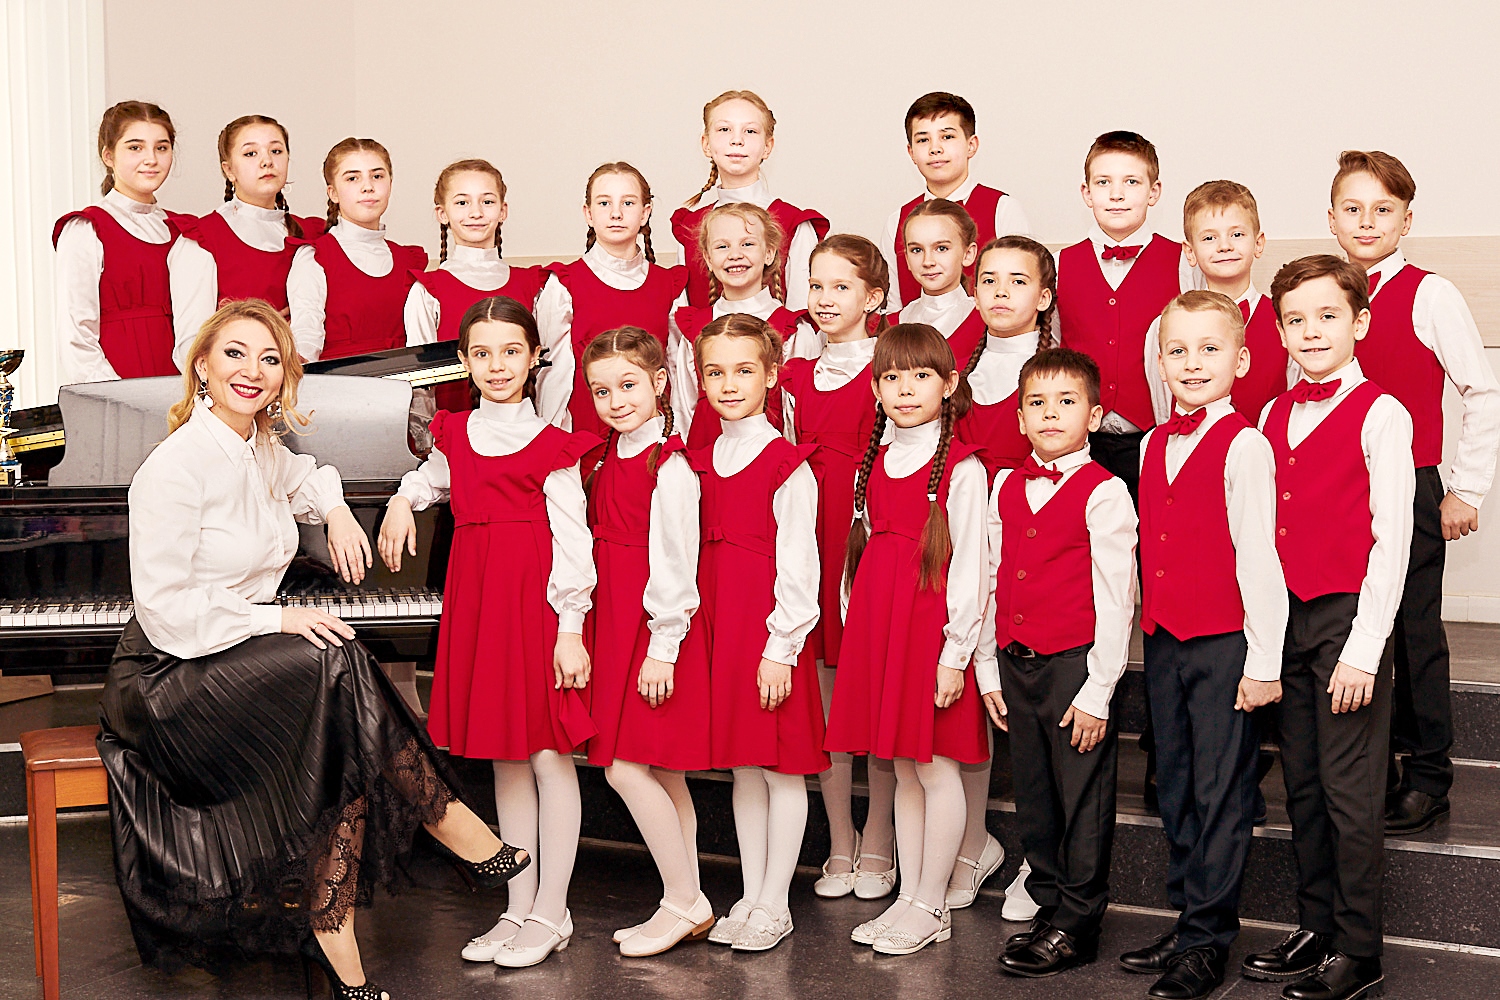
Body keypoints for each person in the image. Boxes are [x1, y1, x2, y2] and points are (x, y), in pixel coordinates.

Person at [97, 299, 527, 1000]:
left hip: (225, 656)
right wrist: (277, 619)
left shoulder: (259, 447)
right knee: (333, 658)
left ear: (282, 377)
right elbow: (168, 610)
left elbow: (304, 475)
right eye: (235, 354)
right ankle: (447, 824)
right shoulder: (173, 468)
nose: (252, 370)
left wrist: (334, 510)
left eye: (269, 359)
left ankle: (338, 938)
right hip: (166, 676)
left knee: (338, 705)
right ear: (202, 368)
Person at [378, 296, 600, 970]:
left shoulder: (553, 445)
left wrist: (570, 629)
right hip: (479, 605)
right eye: (482, 353)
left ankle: (553, 909)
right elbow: (429, 481)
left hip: (536, 608)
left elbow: (575, 542)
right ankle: (517, 905)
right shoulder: (455, 434)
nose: (497, 365)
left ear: (533, 359)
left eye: (511, 351)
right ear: (464, 362)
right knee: (506, 756)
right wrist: (400, 500)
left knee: (547, 756)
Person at [1240, 256, 1413, 1000]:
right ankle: (1315, 925)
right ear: (1279, 332)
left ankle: (1359, 947)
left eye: (1327, 316)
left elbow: (1392, 540)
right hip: (1288, 619)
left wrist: (1365, 649)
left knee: (1349, 791)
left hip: (1348, 619)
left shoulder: (1383, 412)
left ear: (1360, 323)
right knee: (1304, 785)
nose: (1311, 331)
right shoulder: (1270, 416)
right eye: (1295, 320)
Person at [1116, 291, 1287, 1000]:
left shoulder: (1245, 445)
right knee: (1178, 784)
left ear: (1240, 361)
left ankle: (1209, 939)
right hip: (1166, 642)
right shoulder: (1152, 443)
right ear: (1159, 363)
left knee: (1221, 792)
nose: (1192, 363)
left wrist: (1264, 661)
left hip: (1224, 644)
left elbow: (1259, 557)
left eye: (1210, 349)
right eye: (1178, 350)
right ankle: (1189, 918)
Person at [1328, 150, 1500, 837]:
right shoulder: (1324, 295)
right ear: (1332, 218)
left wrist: (1466, 489)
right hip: (1340, 492)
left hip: (1413, 488)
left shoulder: (1431, 294)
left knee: (1414, 634)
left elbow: (1481, 392)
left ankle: (1428, 776)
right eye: (1353, 208)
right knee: (1354, 628)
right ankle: (1372, 767)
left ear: (1406, 220)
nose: (1367, 221)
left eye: (1383, 209)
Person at [825, 323, 989, 956]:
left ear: (948, 384)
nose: (906, 389)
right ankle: (912, 896)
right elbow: (861, 554)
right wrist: (857, 627)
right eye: (891, 377)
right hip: (882, 627)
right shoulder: (874, 464)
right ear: (875, 389)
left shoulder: (963, 469)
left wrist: (955, 653)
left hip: (930, 633)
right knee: (900, 766)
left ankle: (931, 901)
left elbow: (970, 569)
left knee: (934, 765)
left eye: (921, 376)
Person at [975, 348, 1138, 979]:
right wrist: (987, 665)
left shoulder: (1106, 493)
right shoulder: (1006, 485)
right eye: (1037, 404)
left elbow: (1116, 598)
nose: (1050, 414)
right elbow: (993, 577)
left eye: (1066, 402)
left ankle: (1079, 920)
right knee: (1036, 795)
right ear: (1019, 418)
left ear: (1093, 416)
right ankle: (1049, 903)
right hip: (1017, 664)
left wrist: (1098, 690)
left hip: (1075, 666)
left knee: (1082, 798)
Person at [677, 313, 827, 952]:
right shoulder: (697, 461)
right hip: (720, 627)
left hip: (766, 632)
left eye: (744, 370)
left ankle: (776, 901)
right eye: (715, 372)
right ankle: (751, 890)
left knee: (780, 767)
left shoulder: (788, 465)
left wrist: (781, 647)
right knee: (744, 767)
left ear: (771, 376)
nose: (729, 383)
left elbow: (799, 566)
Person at [580, 327, 714, 957]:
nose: (616, 401)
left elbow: (676, 564)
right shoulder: (605, 456)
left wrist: (663, 647)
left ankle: (682, 899)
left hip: (651, 627)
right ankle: (687, 895)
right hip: (611, 622)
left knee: (623, 767)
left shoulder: (672, 465)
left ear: (660, 381)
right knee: (660, 769)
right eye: (601, 391)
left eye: (629, 385)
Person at [779, 235, 899, 903]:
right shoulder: (795, 374)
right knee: (826, 698)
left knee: (870, 691)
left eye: (841, 287)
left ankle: (879, 833)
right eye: (816, 285)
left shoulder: (888, 367)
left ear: (873, 297)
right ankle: (839, 836)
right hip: (809, 535)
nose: (825, 299)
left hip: (865, 533)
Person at [949, 234, 1066, 917]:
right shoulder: (956, 367)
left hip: (1029, 551)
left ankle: (1037, 857)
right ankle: (971, 844)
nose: (1000, 291)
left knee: (1027, 711)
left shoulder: (1052, 374)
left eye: (1018, 281)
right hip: (962, 549)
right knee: (967, 701)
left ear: (1044, 297)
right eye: (988, 278)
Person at [1054, 130, 1195, 502]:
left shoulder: (1182, 262)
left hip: (1155, 437)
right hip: (1081, 442)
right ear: (1087, 193)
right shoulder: (1061, 264)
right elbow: (1053, 344)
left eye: (1131, 182)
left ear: (1154, 191)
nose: (1116, 194)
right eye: (1104, 182)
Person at [535, 162, 689, 439]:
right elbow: (553, 377)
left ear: (645, 213)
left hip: (653, 435)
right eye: (604, 203)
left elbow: (679, 375)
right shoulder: (565, 285)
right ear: (588, 214)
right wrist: (553, 445)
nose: (616, 213)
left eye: (627, 203)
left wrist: (679, 437)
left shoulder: (670, 286)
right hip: (587, 433)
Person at [53, 100, 204, 383]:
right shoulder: (86, 228)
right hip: (120, 383)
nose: (151, 159)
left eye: (161, 148)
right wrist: (114, 396)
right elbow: (77, 336)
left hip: (184, 384)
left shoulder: (185, 230)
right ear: (108, 156)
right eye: (135, 147)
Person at [170, 114, 326, 365]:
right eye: (250, 153)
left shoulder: (314, 234)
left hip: (310, 379)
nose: (267, 161)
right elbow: (191, 347)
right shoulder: (203, 239)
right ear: (229, 170)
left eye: (276, 151)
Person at [404, 159, 551, 413]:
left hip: (524, 428)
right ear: (442, 213)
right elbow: (421, 387)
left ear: (503, 211)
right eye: (462, 203)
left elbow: (547, 373)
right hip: (454, 429)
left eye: (487, 201)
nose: (476, 213)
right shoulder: (427, 291)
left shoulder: (534, 286)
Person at [1146, 181, 1297, 426]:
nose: (1224, 246)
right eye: (1209, 238)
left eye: (1237, 235)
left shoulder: (1286, 321)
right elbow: (1164, 414)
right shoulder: (1164, 326)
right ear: (1190, 252)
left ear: (1258, 243)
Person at [670, 203, 815, 448]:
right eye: (722, 246)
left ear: (769, 253)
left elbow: (800, 418)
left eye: (747, 244)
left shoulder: (794, 330)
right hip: (706, 456)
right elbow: (683, 409)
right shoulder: (695, 329)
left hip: (768, 458)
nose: (735, 254)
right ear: (708, 258)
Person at [672, 89, 828, 311]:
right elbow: (681, 315)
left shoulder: (794, 224)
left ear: (767, 146)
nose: (737, 140)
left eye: (750, 131)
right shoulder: (689, 227)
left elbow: (804, 313)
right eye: (724, 129)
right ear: (706, 144)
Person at [879, 92, 1030, 313]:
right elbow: (893, 306)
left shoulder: (1003, 209)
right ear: (911, 152)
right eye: (923, 140)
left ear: (971, 145)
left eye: (947, 137)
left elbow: (1022, 294)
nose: (935, 149)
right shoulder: (896, 222)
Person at [287, 138, 428, 361]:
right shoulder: (316, 257)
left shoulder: (408, 260)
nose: (368, 187)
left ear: (390, 184)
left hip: (403, 380)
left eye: (377, 176)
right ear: (333, 193)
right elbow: (306, 334)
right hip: (339, 380)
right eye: (353, 178)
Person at [892, 199, 987, 361]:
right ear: (907, 258)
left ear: (968, 254)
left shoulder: (986, 320)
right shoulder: (891, 323)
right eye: (917, 250)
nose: (928, 261)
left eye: (941, 248)